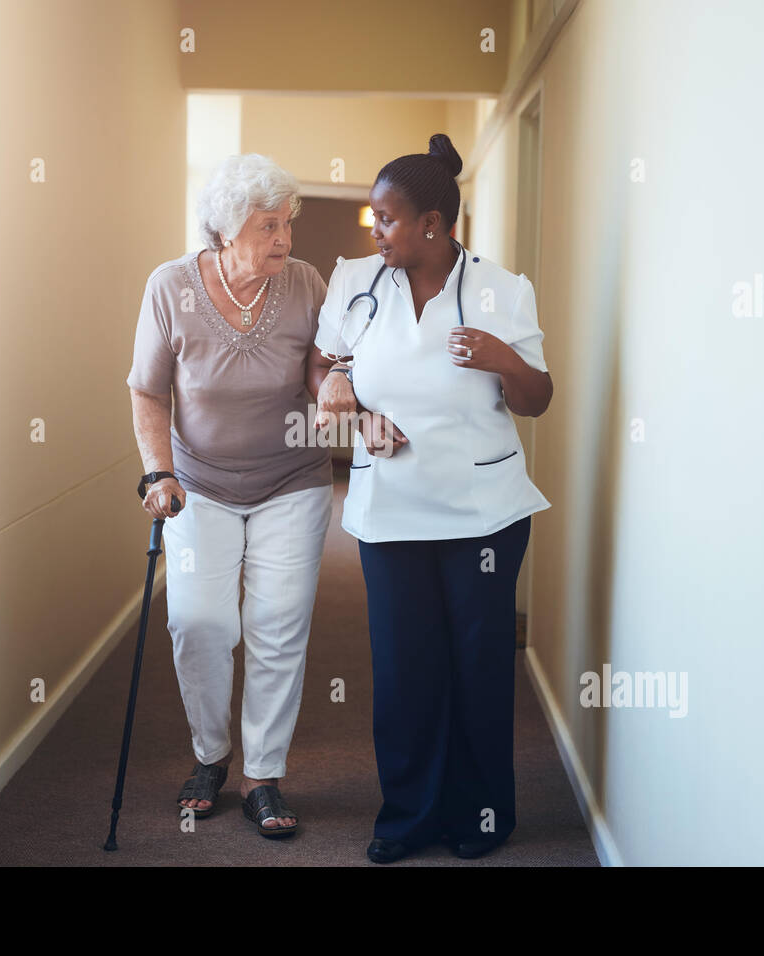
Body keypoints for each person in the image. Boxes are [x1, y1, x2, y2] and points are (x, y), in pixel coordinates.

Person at [307, 133, 554, 863]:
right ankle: (409, 817)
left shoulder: (501, 289)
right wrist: (341, 392)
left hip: (484, 513)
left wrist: (502, 358)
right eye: (374, 218)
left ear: (434, 225)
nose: (375, 231)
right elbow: (324, 363)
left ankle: (479, 816)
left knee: (478, 666)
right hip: (390, 512)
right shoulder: (354, 280)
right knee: (406, 671)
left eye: (386, 219)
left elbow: (537, 398)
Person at [128, 153, 332, 838]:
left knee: (278, 624)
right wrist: (159, 471)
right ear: (224, 229)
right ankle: (210, 756)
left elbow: (323, 364)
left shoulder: (305, 284)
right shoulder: (170, 287)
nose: (286, 239)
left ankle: (263, 775)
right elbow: (149, 390)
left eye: (287, 223)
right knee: (199, 620)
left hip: (291, 481)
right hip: (199, 485)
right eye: (268, 225)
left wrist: (333, 383)